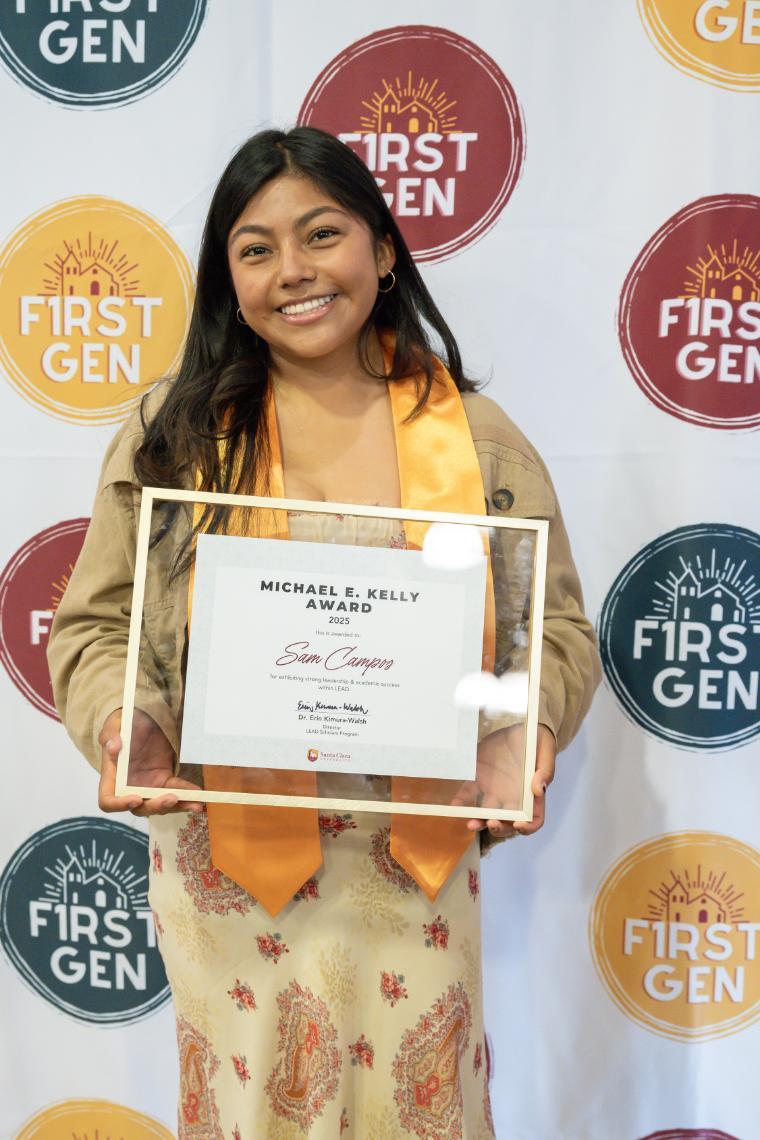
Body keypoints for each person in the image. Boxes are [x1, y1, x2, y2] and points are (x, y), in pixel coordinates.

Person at [48, 127, 600, 1139]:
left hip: (412, 864)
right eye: (255, 249)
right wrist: (131, 722)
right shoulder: (171, 433)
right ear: (228, 277)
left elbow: (553, 626)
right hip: (227, 869)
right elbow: (95, 623)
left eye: (320, 234)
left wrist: (522, 728)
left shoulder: (475, 439)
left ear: (382, 253)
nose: (291, 271)